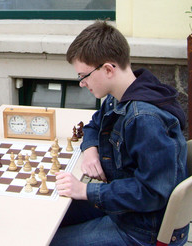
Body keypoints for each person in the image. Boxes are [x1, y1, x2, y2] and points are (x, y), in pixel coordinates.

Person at [51, 21, 189, 246]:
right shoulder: (120, 95)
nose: (82, 84)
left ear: (107, 69)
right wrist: (91, 150)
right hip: (125, 209)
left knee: (48, 240)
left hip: (142, 229)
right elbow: (94, 124)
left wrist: (86, 190)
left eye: (83, 76)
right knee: (52, 214)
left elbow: (152, 192)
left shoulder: (144, 119)